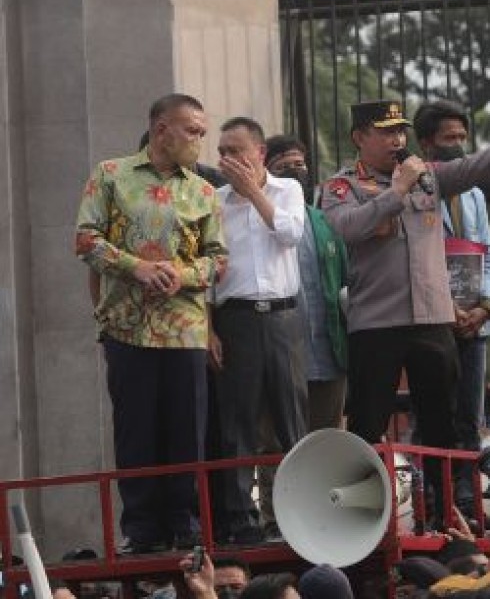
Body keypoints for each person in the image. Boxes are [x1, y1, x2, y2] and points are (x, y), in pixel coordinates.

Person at [319, 99, 490, 516]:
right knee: (368, 425)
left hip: (432, 321)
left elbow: (479, 166)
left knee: (443, 427)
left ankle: (443, 510)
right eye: (385, 132)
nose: (397, 139)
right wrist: (396, 191)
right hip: (376, 324)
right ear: (358, 137)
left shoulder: (429, 178)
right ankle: (362, 512)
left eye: (400, 131)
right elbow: (347, 228)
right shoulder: (341, 188)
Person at [74, 93, 227, 554]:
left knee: (187, 431)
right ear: (162, 130)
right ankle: (141, 530)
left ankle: (186, 523)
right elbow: (85, 239)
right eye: (193, 130)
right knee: (135, 429)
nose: (201, 140)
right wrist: (134, 266)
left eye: (203, 130)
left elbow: (218, 260)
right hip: (127, 325)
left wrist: (180, 274)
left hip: (184, 329)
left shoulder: (202, 191)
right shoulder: (111, 175)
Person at [209, 116, 308, 545]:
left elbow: (290, 234)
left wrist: (253, 194)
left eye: (236, 150)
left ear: (259, 153)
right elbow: (209, 272)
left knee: (291, 421)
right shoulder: (213, 200)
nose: (228, 159)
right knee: (238, 424)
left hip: (283, 317)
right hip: (236, 319)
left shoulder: (289, 190)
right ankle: (242, 521)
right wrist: (209, 328)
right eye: (223, 152)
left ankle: (301, 513)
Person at [414, 99, 490, 454]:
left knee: (470, 418)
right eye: (450, 138)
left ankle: (467, 495)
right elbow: (415, 259)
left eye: (463, 136)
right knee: (436, 420)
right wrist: (445, 307)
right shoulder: (415, 193)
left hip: (474, 321)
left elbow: (489, 252)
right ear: (427, 144)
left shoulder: (475, 194)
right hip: (435, 321)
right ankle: (438, 498)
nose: (459, 145)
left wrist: (487, 306)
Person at [265, 134, 349, 430]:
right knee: (279, 444)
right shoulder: (257, 220)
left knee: (327, 441)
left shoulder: (325, 221)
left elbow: (345, 279)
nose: (294, 171)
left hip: (327, 352)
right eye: (283, 165)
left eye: (299, 164)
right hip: (280, 352)